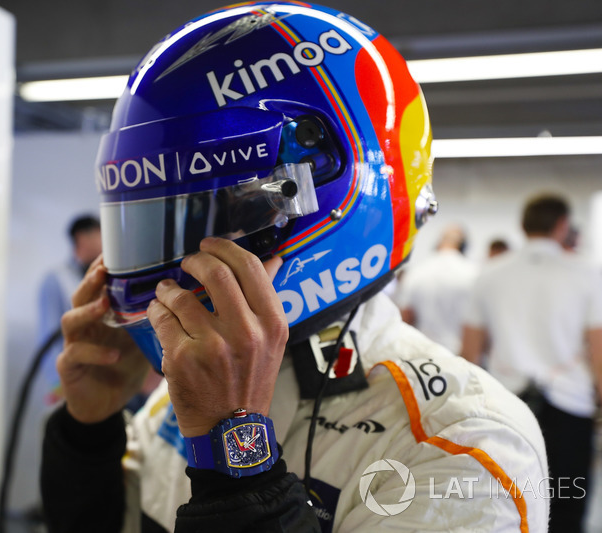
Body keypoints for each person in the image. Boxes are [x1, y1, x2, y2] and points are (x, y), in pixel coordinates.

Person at [40, 3, 548, 532]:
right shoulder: (180, 395)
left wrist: (234, 453)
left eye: (203, 220)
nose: (158, 283)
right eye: (152, 225)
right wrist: (90, 432)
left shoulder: (469, 443)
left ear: (314, 199)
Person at [462, 193, 602, 532]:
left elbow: (471, 350)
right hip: (571, 402)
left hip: (507, 404)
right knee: (568, 504)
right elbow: (597, 344)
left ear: (523, 226)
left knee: (510, 503)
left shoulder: (488, 274)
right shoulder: (587, 273)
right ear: (562, 226)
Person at [37, 215, 102, 402]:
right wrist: (59, 384)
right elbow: (48, 335)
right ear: (83, 238)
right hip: (71, 381)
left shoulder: (101, 275)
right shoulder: (56, 278)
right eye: (100, 235)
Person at [395, 225, 478, 354]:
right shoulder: (473, 273)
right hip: (460, 355)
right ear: (463, 246)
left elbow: (405, 318)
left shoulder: (417, 272)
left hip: (424, 354)